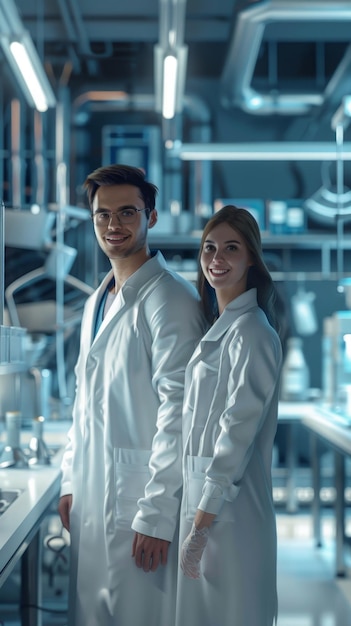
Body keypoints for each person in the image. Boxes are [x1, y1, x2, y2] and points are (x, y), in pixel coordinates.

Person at [58, 164, 207, 626]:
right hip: (92, 493)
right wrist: (68, 480)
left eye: (127, 212)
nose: (113, 226)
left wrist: (158, 515)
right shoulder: (97, 300)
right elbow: (83, 402)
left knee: (139, 615)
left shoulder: (172, 302)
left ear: (151, 217)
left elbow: (180, 416)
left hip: (140, 504)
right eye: (103, 215)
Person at [176, 205, 283, 626]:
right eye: (209, 248)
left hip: (227, 515)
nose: (217, 259)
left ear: (251, 258)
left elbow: (235, 434)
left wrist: (200, 529)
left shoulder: (253, 332)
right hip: (208, 506)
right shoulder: (224, 327)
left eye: (231, 248)